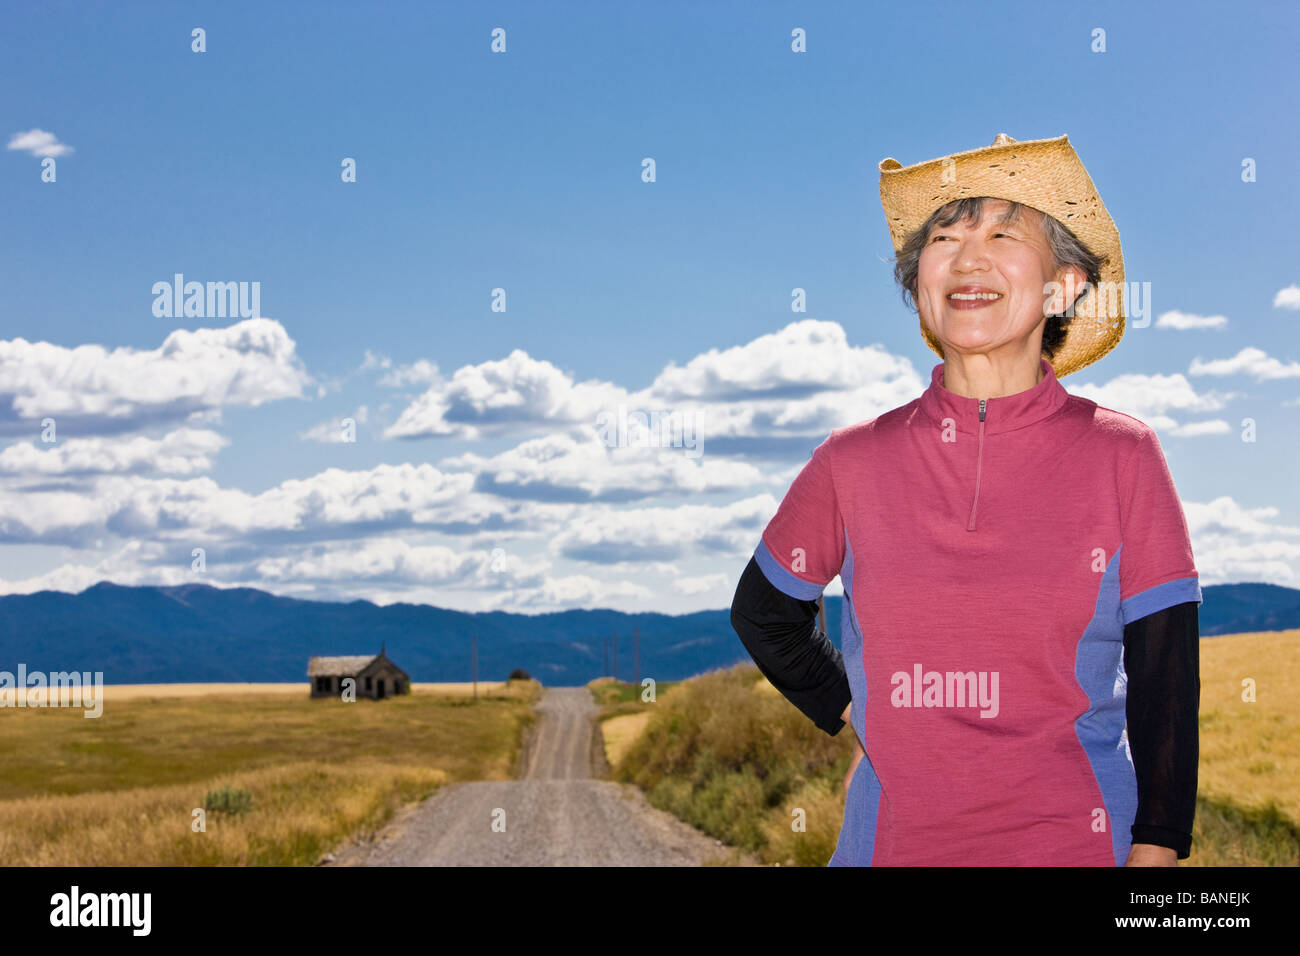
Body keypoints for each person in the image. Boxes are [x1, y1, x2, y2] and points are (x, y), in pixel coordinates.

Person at [730, 133, 1201, 867]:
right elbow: (765, 613)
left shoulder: (1122, 454)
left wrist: (1157, 855)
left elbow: (1166, 679)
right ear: (920, 283)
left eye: (1004, 234)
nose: (967, 257)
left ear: (1064, 284)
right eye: (944, 238)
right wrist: (863, 711)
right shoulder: (850, 461)